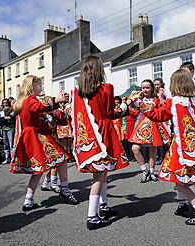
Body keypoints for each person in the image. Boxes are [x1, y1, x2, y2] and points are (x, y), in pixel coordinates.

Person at [130, 69, 195, 225]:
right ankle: (181, 204)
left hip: (181, 145)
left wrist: (138, 102)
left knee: (179, 180)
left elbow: (157, 116)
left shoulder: (172, 102)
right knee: (177, 174)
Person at [70, 56, 129, 230]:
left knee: (103, 173)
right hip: (103, 133)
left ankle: (103, 206)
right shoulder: (106, 88)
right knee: (99, 176)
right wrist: (126, 105)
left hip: (89, 135)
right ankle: (92, 217)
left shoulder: (77, 91)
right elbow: (111, 113)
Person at [10, 75, 78, 212]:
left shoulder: (25, 101)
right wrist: (56, 100)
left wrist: (58, 105)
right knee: (62, 158)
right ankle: (64, 189)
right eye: (39, 85)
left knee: (38, 169)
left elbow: (46, 111)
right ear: (32, 86)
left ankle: (28, 200)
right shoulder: (30, 99)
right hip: (34, 135)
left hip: (32, 135)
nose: (41, 88)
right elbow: (40, 106)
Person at [128, 79, 171, 183]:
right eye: (143, 88)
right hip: (142, 127)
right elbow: (133, 113)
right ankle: (144, 170)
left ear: (152, 88)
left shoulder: (156, 99)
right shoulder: (139, 99)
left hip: (154, 126)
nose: (145, 90)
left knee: (153, 150)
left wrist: (161, 96)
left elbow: (162, 109)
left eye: (147, 87)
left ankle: (151, 172)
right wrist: (131, 99)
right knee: (135, 148)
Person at [0, 98, 15, 164]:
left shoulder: (12, 109)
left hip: (10, 128)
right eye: (4, 103)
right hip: (3, 128)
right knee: (5, 144)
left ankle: (13, 158)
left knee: (11, 144)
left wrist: (9, 118)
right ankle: (7, 158)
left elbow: (13, 117)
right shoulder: (0, 111)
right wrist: (4, 118)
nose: (5, 104)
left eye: (6, 103)